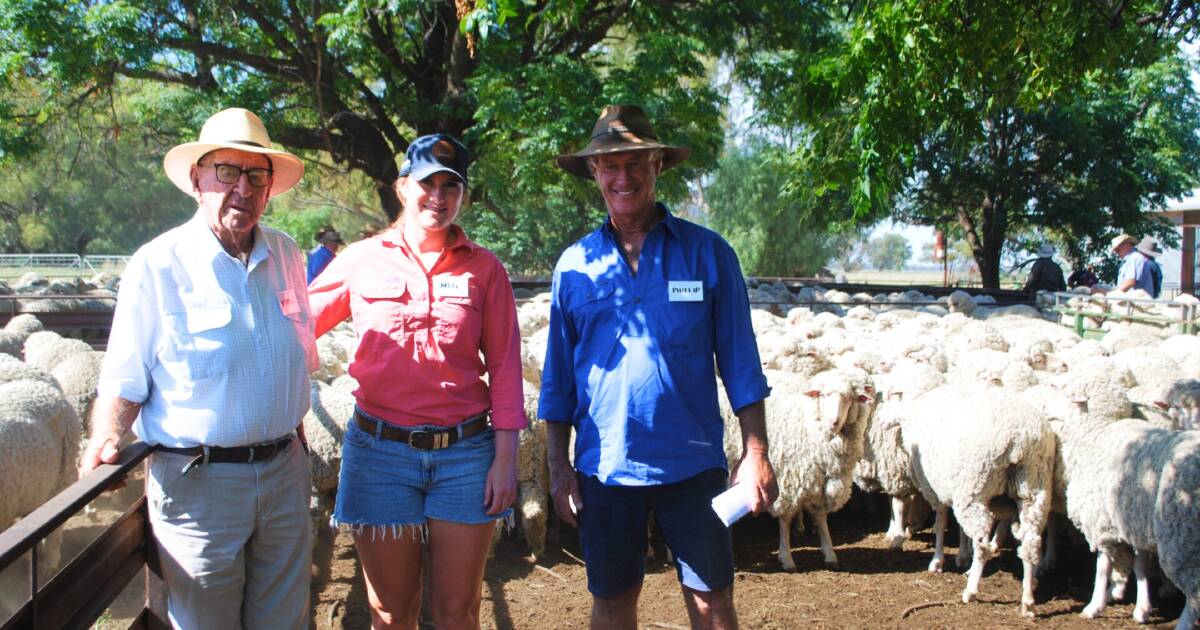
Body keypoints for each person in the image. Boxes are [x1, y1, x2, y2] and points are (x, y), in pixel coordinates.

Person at [539, 104, 779, 629]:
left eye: (635, 164)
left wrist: (755, 452)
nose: (622, 177)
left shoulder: (709, 255)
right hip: (605, 466)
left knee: (712, 602)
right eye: (609, 166)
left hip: (693, 466)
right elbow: (557, 381)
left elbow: (741, 362)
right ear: (594, 174)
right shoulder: (575, 265)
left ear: (657, 167)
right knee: (612, 600)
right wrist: (558, 468)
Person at [82, 108, 317, 629]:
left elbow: (297, 358)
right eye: (227, 173)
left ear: (270, 185)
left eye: (257, 175)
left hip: (284, 475)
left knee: (286, 620)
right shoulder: (158, 263)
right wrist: (105, 438)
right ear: (197, 179)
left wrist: (295, 440)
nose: (243, 189)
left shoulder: (287, 253)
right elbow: (124, 378)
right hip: (199, 487)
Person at [307, 134, 524, 629]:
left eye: (452, 185)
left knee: (457, 611)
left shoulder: (485, 269)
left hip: (466, 455)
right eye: (428, 183)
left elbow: (508, 369)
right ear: (403, 187)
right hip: (379, 454)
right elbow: (294, 323)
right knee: (390, 611)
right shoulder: (361, 259)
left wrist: (506, 462)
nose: (439, 196)